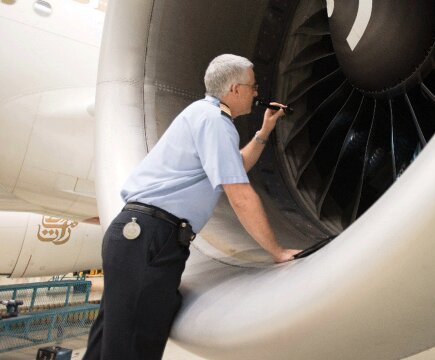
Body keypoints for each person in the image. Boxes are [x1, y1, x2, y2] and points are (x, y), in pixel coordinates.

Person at [83, 54, 301, 360]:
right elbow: (238, 192)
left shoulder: (201, 114)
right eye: (252, 86)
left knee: (110, 343)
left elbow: (233, 166)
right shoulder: (216, 122)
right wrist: (277, 251)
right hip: (151, 239)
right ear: (235, 89)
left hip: (136, 238)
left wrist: (263, 132)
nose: (255, 92)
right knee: (134, 346)